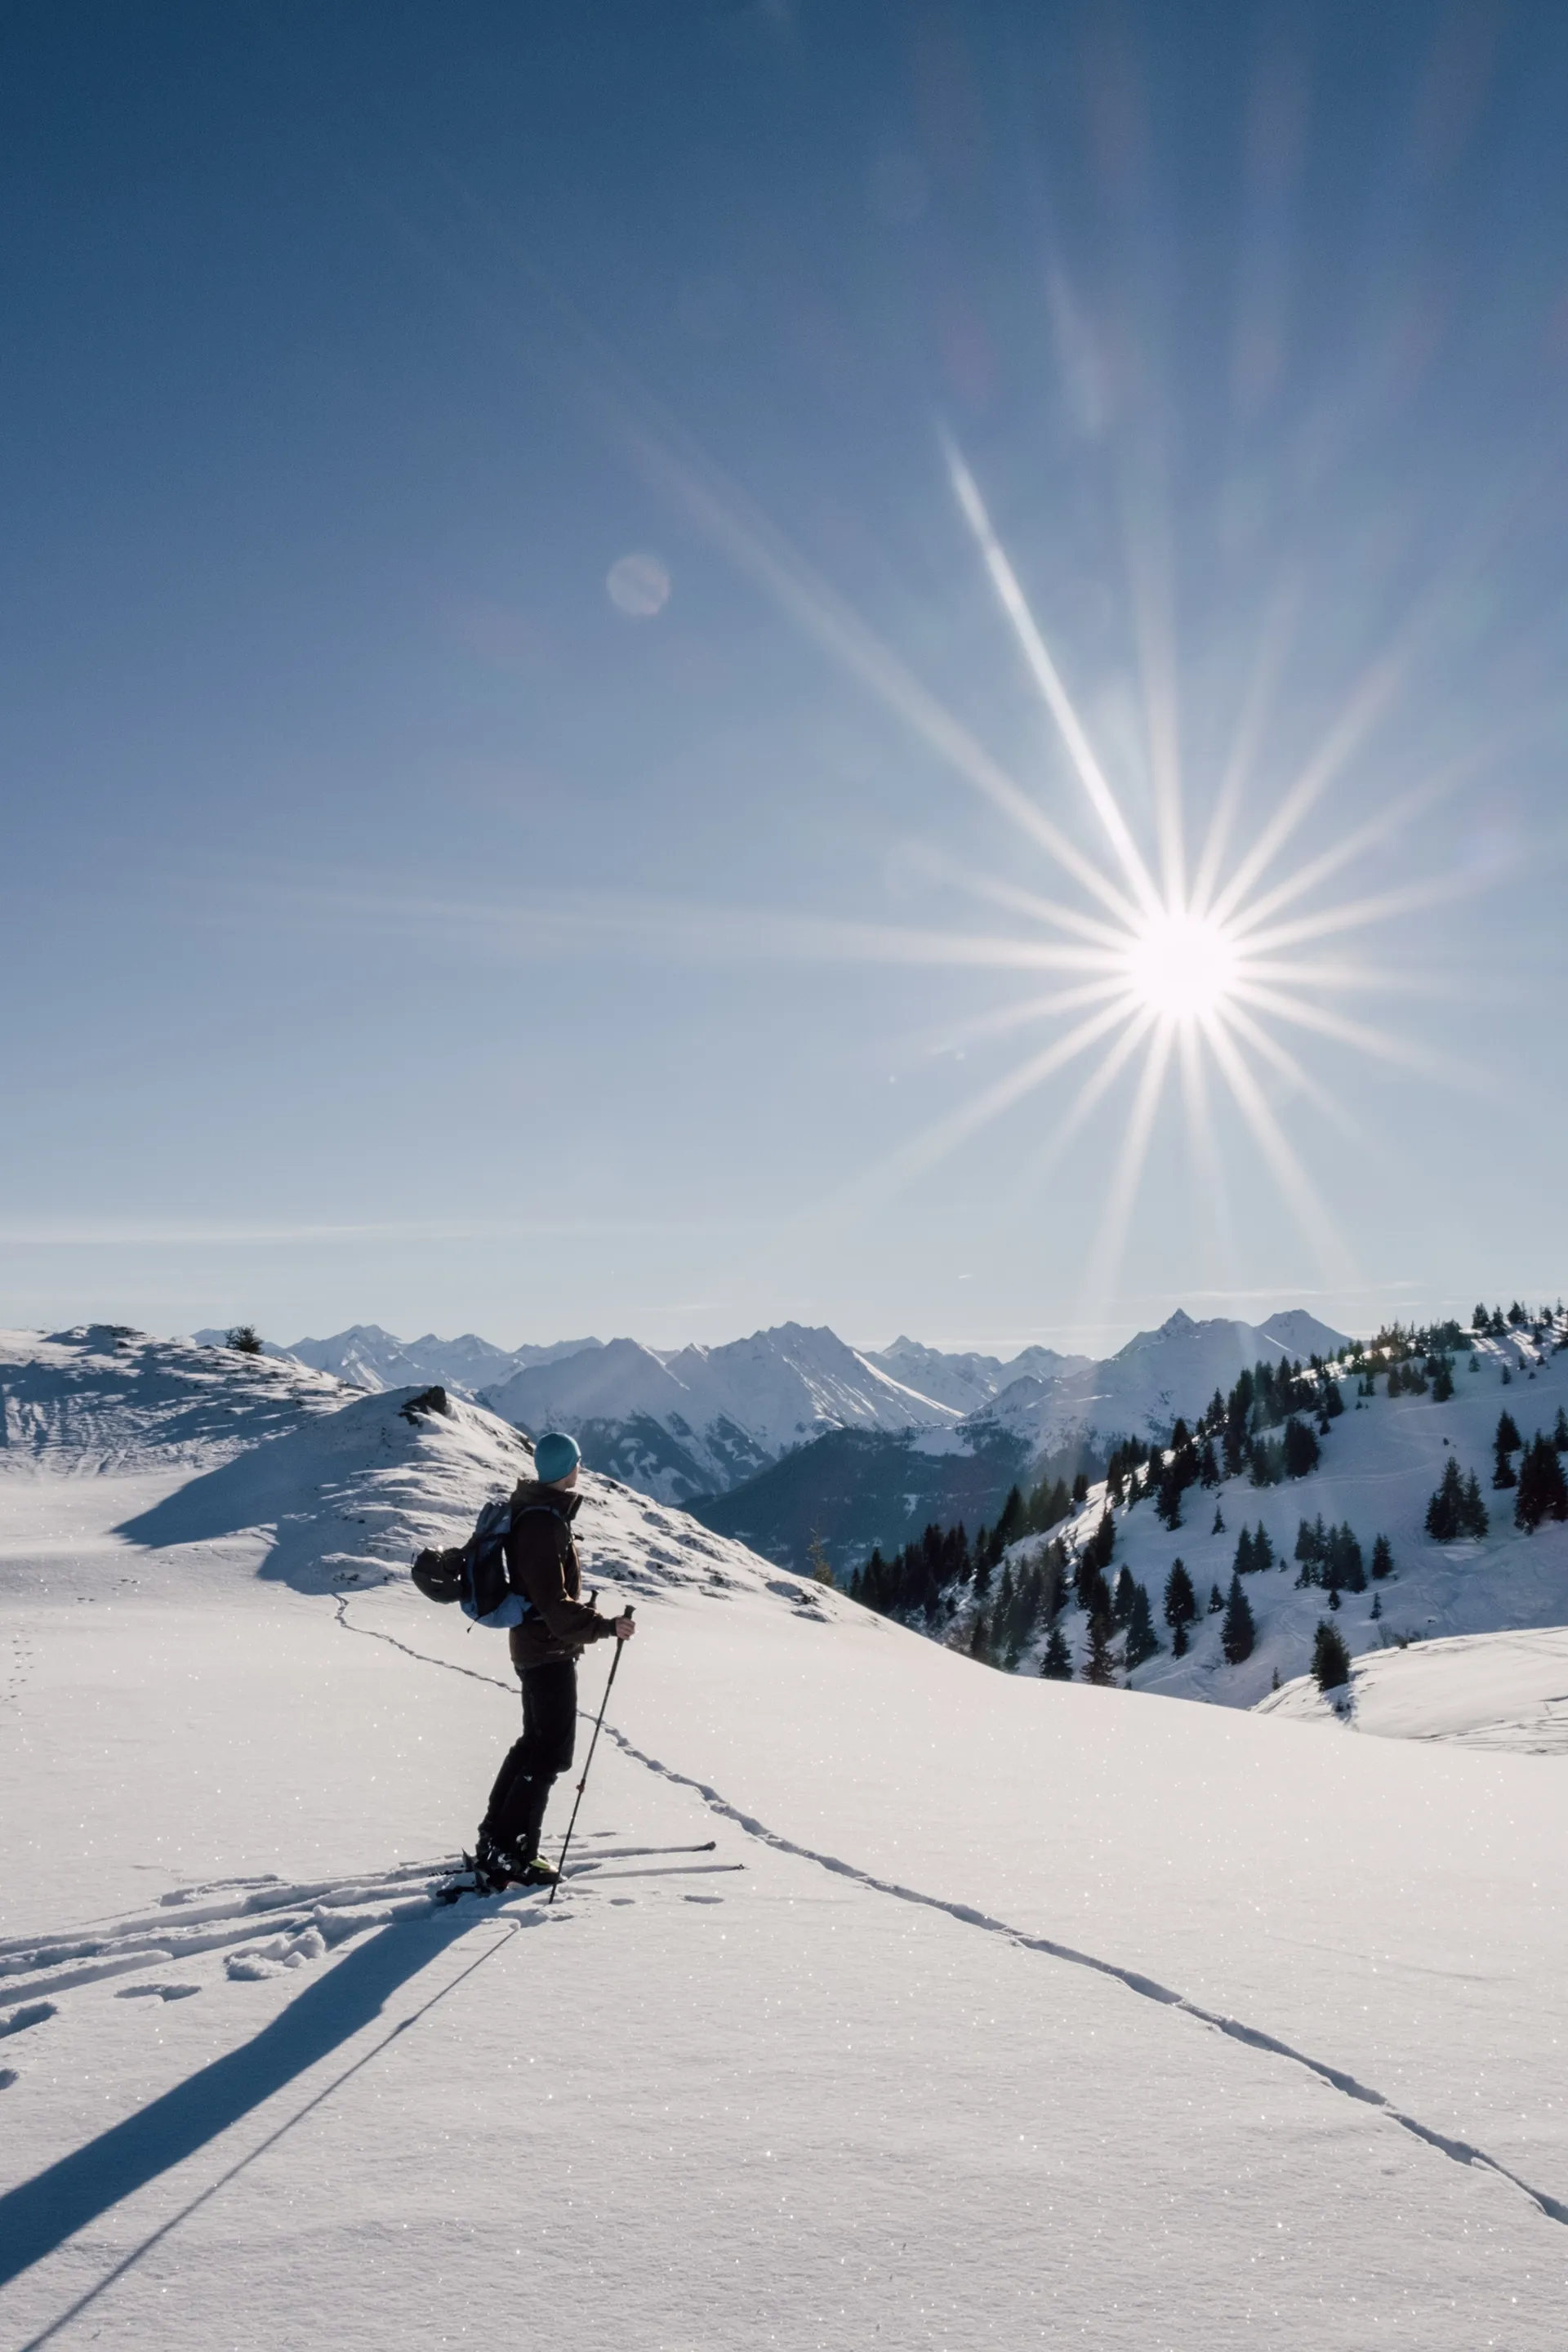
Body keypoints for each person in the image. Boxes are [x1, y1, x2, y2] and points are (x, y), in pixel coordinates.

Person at [473, 1431, 635, 1890]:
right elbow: (553, 1604)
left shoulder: (540, 1513)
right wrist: (605, 1626)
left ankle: (496, 1841)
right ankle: (515, 1853)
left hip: (537, 1648)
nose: (580, 1468)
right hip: (547, 1652)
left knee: (533, 1747)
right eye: (577, 1462)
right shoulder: (543, 1524)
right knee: (550, 1755)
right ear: (567, 1468)